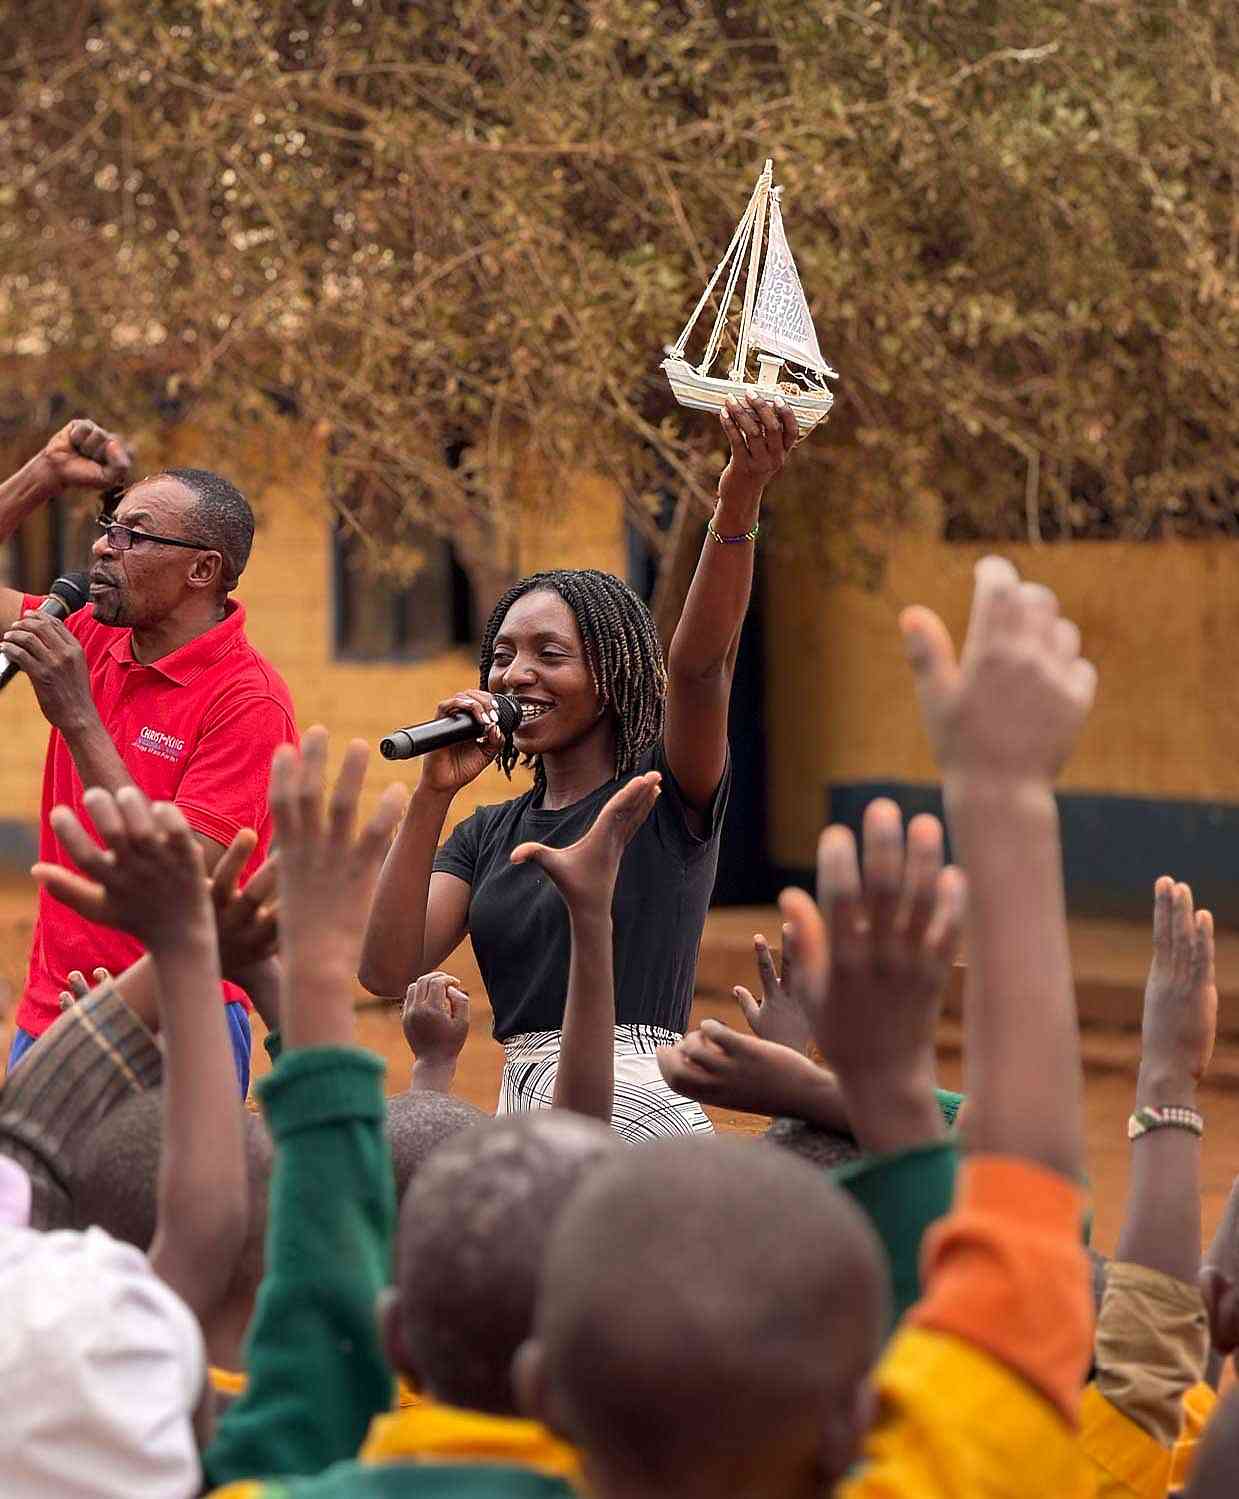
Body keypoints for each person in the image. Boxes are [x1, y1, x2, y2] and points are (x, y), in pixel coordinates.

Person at [361, 394, 798, 1138]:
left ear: (612, 678)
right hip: (524, 1111)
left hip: (634, 1104)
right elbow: (385, 971)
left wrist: (738, 499)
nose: (515, 674)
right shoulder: (486, 835)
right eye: (502, 655)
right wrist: (433, 793)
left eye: (550, 654)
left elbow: (699, 668)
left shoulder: (659, 795)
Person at [0, 418, 298, 1092]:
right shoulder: (90, 633)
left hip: (176, 1022)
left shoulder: (250, 700)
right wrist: (39, 478)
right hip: (52, 1013)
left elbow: (180, 874)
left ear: (202, 569)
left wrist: (78, 718)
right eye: (108, 526)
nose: (103, 546)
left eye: (134, 535)